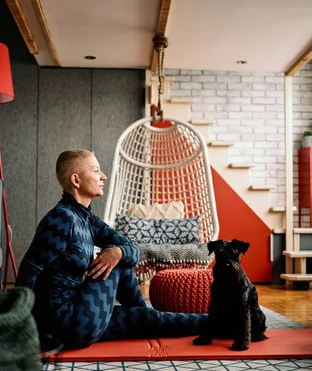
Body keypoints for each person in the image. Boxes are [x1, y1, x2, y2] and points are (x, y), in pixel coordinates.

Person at [15, 149, 207, 349]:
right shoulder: (60, 220)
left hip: (81, 316)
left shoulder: (87, 219)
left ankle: (222, 323)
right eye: (96, 170)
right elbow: (29, 273)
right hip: (64, 323)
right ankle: (146, 317)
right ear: (76, 180)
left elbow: (133, 250)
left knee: (119, 255)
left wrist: (118, 253)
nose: (103, 176)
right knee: (117, 259)